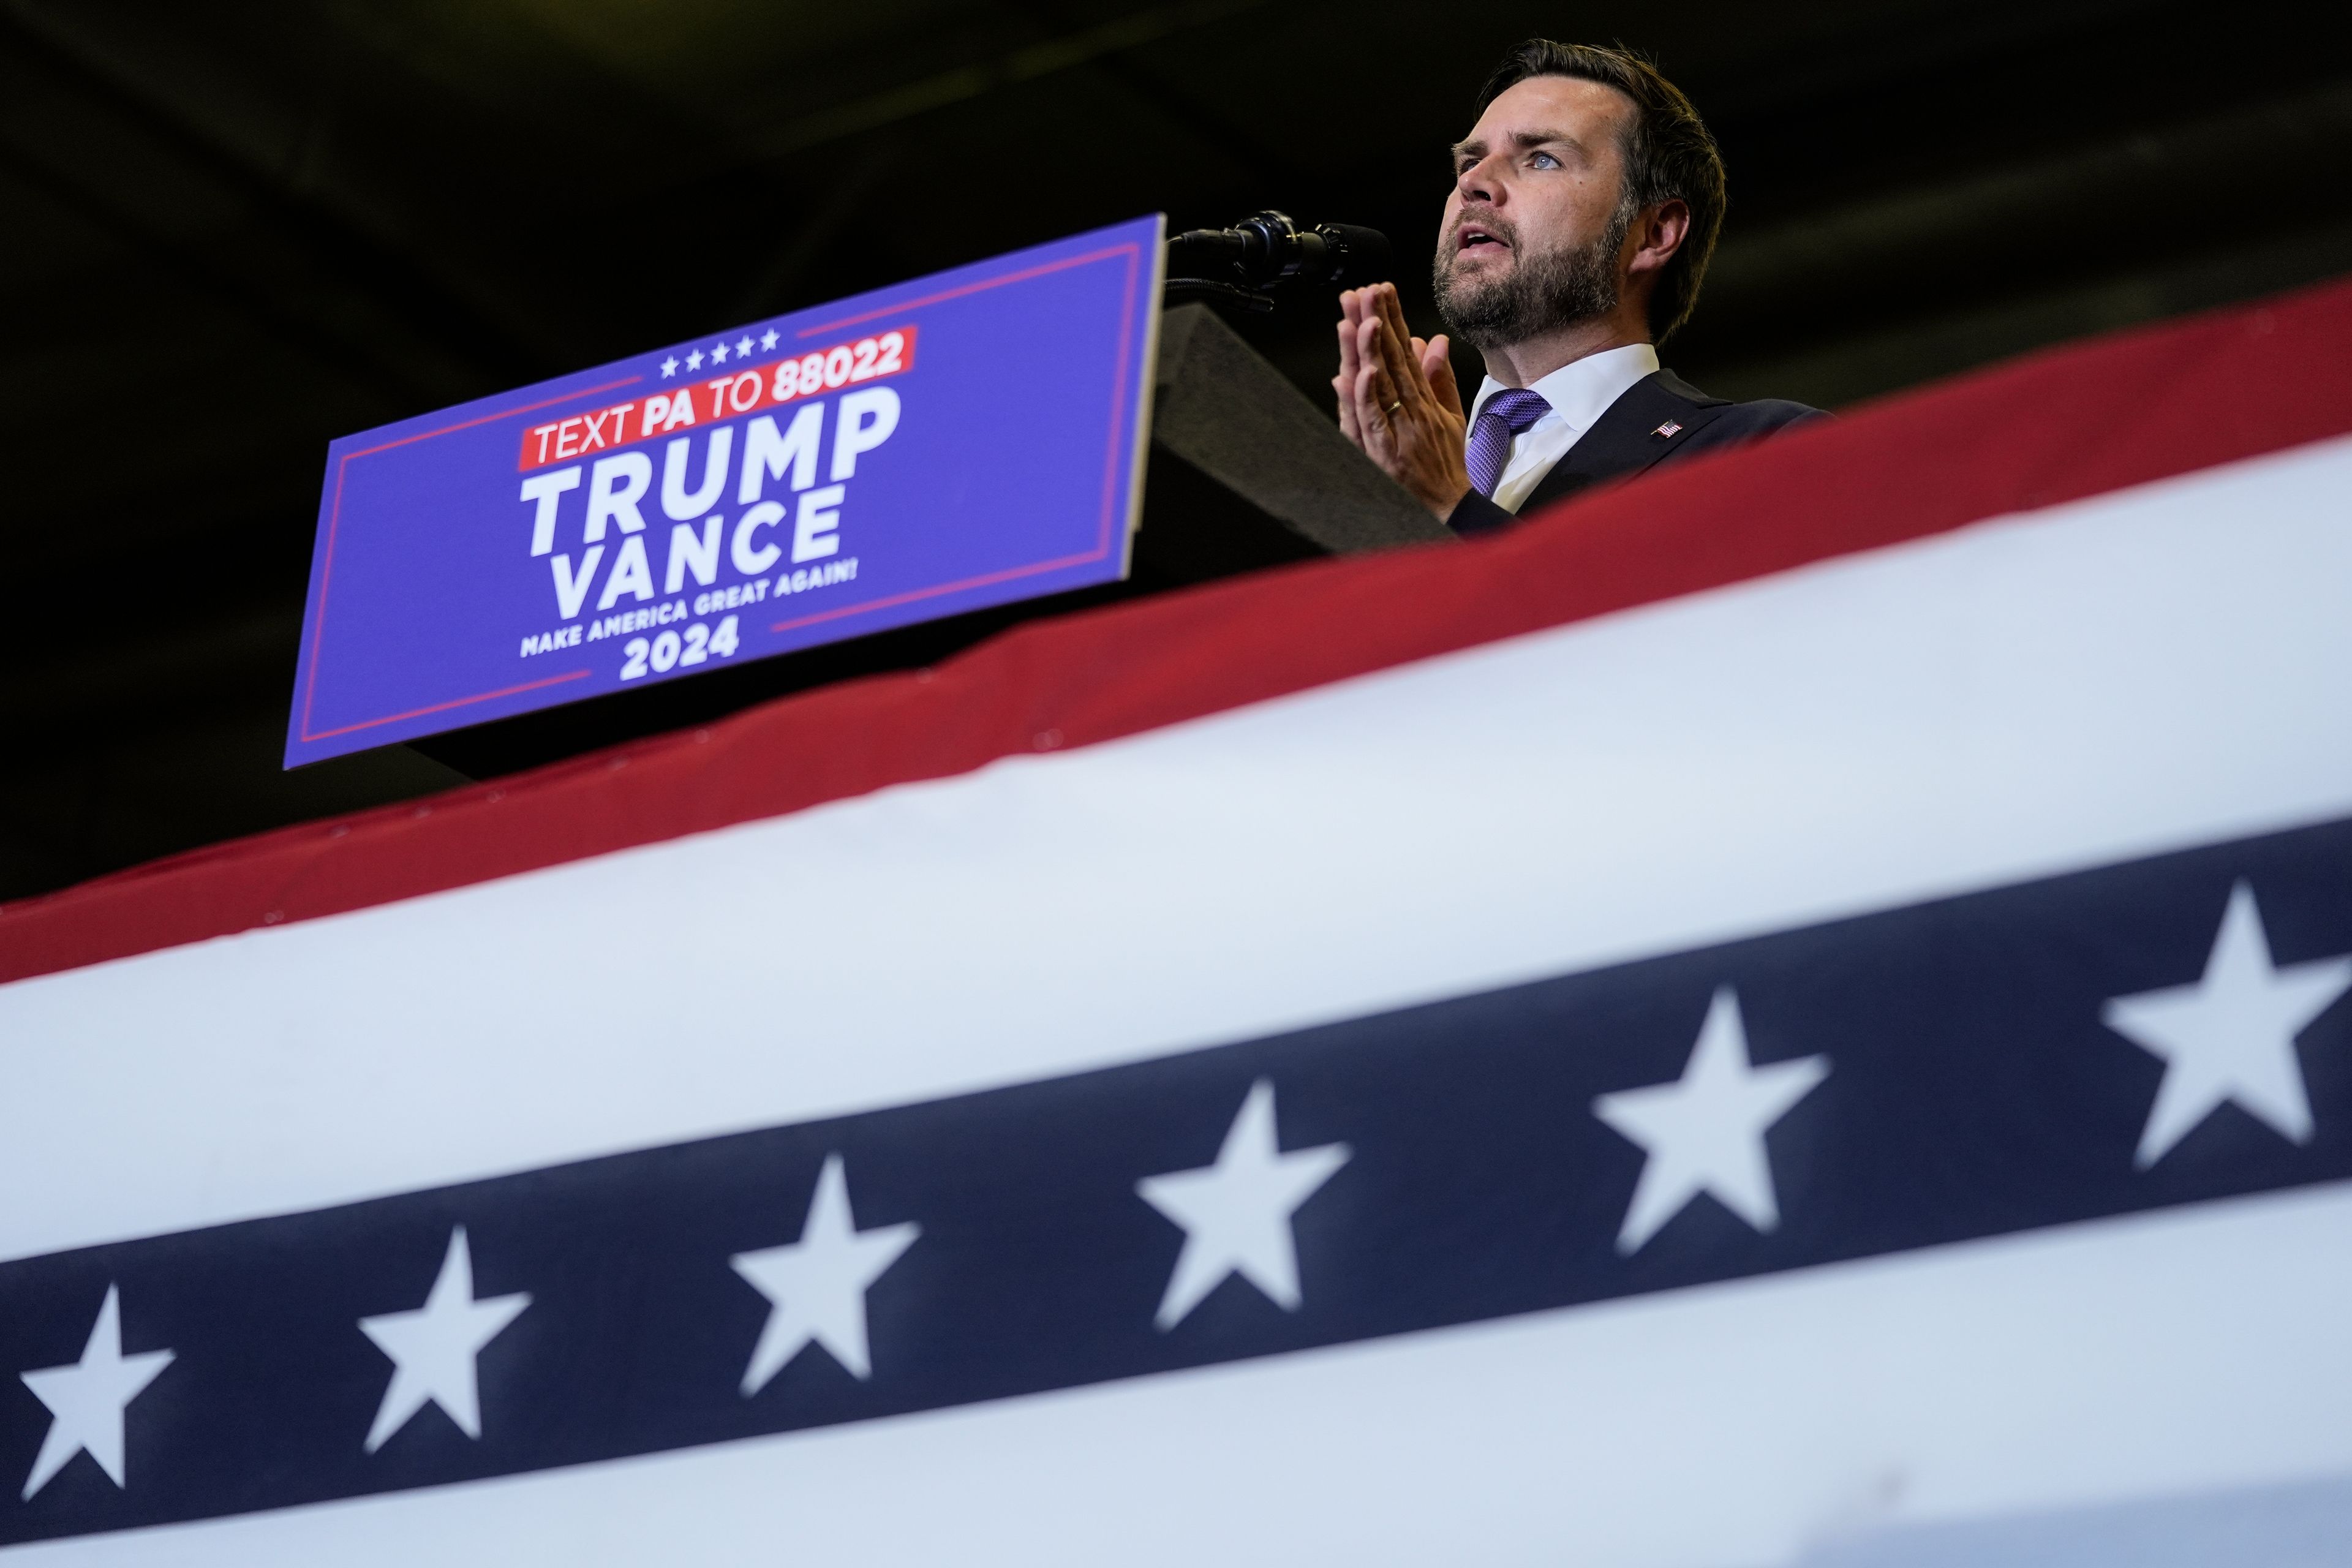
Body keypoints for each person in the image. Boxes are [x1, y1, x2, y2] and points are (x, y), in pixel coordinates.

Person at [1335, 40, 1822, 534]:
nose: (1474, 183)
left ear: (1654, 233)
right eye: (1468, 163)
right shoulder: (1390, 470)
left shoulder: (1759, 449)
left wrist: (1449, 509)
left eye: (1542, 159)